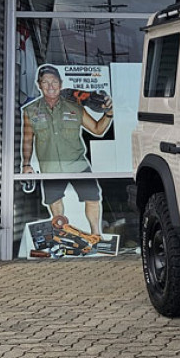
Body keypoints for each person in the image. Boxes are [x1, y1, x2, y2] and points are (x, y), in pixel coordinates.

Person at [21, 65, 113, 236]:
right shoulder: (30, 111)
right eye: (45, 82)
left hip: (78, 164)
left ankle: (96, 235)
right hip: (50, 167)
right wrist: (26, 164)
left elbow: (98, 130)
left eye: (54, 81)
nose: (50, 86)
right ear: (39, 85)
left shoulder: (75, 107)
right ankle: (62, 236)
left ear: (61, 84)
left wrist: (108, 114)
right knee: (55, 202)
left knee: (92, 198)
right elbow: (27, 139)